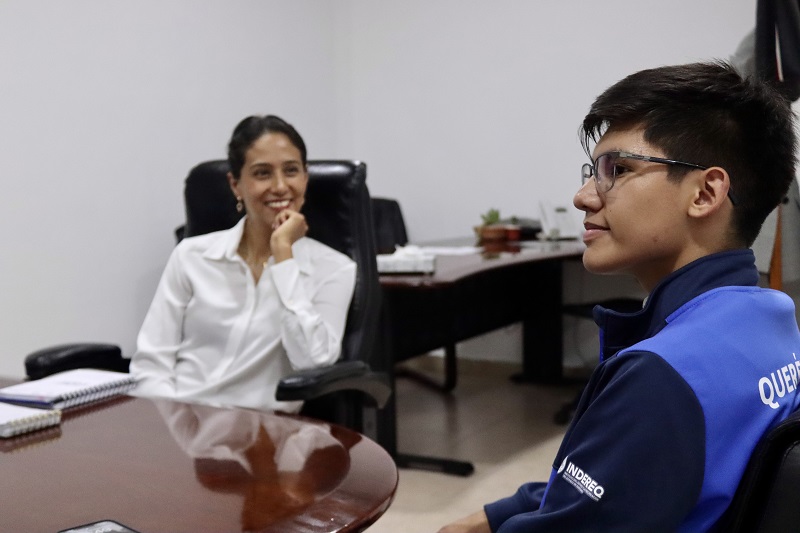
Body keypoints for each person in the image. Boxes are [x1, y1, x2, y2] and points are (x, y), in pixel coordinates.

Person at [438, 61, 800, 533]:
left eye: (618, 169)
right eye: (593, 171)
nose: (583, 196)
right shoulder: (772, 317)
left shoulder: (661, 376)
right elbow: (623, 473)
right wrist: (492, 516)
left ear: (706, 193)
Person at [129, 114, 357, 413]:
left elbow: (313, 361)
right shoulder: (191, 256)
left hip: (264, 436)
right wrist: (175, 432)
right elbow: (151, 364)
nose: (279, 186)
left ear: (305, 178)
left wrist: (284, 255)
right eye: (262, 173)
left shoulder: (335, 268)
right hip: (182, 426)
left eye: (291, 170)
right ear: (236, 185)